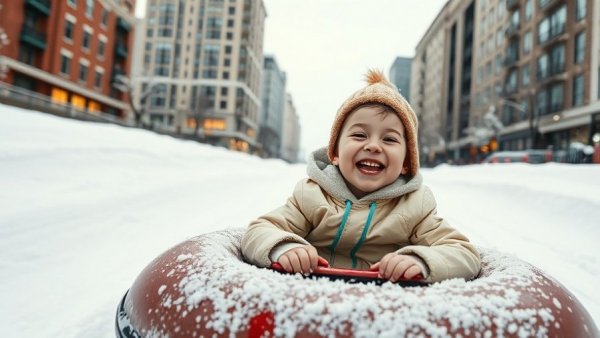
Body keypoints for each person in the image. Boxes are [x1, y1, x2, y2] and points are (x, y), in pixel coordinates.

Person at [242, 70, 480, 283]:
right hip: (314, 300)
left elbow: (464, 254)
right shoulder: (312, 195)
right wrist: (284, 247)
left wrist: (420, 260)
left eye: (389, 139)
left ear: (407, 163)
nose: (374, 146)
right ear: (334, 153)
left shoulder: (415, 207)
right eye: (359, 135)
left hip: (380, 309)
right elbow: (258, 231)